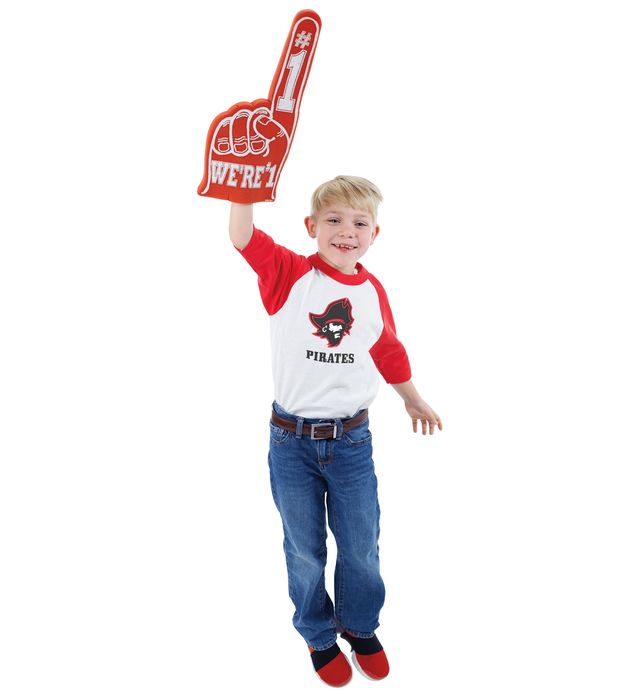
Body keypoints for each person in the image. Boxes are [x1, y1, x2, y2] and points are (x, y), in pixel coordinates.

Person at [228, 175, 442, 686]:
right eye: (334, 220)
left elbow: (388, 350)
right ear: (311, 226)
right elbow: (243, 237)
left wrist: (412, 397)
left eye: (359, 223)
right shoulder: (289, 275)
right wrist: (244, 190)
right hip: (291, 443)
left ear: (375, 234)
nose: (347, 231)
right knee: (304, 547)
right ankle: (318, 633)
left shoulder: (371, 292)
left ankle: (360, 625)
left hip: (351, 443)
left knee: (361, 542)